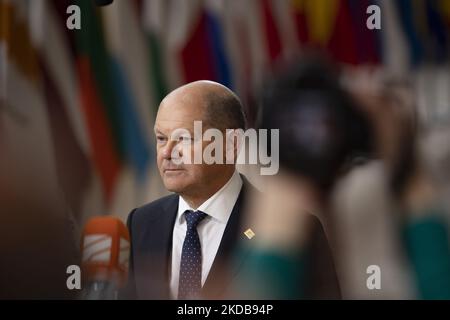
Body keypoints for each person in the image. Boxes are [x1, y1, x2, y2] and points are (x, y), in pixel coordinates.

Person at [121, 80, 255, 299]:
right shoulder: (140, 223)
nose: (167, 152)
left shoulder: (284, 228)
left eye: (184, 138)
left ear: (232, 145)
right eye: (161, 139)